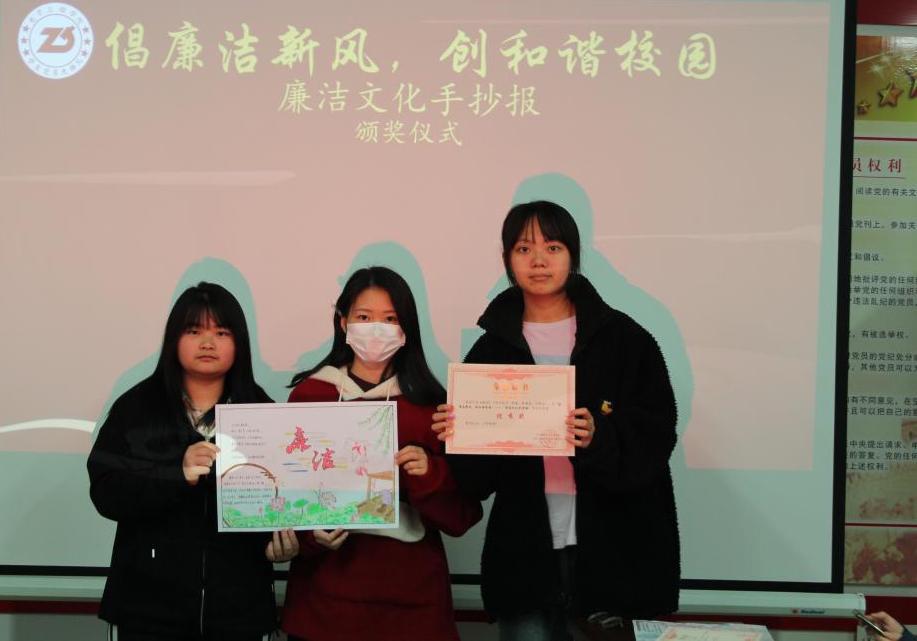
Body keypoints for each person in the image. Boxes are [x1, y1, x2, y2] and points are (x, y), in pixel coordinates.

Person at [434, 200, 680, 639]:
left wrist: (600, 436)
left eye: (553, 247)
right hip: (525, 552)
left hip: (613, 547)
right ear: (508, 259)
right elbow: (476, 481)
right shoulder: (492, 349)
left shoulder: (625, 339)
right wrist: (457, 435)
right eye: (524, 249)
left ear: (573, 255)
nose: (538, 260)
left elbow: (657, 432)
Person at [281, 266, 483, 641]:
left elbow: (463, 516)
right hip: (325, 605)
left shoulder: (434, 407)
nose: (376, 329)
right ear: (343, 322)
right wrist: (311, 536)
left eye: (390, 319)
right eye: (364, 317)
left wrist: (430, 473)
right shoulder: (310, 396)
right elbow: (285, 501)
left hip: (413, 604)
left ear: (407, 329)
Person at [88, 282, 297, 640]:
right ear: (174, 339)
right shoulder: (136, 409)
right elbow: (106, 492)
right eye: (194, 331)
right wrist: (176, 474)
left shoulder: (263, 414)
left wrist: (279, 543)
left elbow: (282, 498)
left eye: (221, 332)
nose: (207, 343)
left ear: (239, 343)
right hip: (147, 612)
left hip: (238, 614)